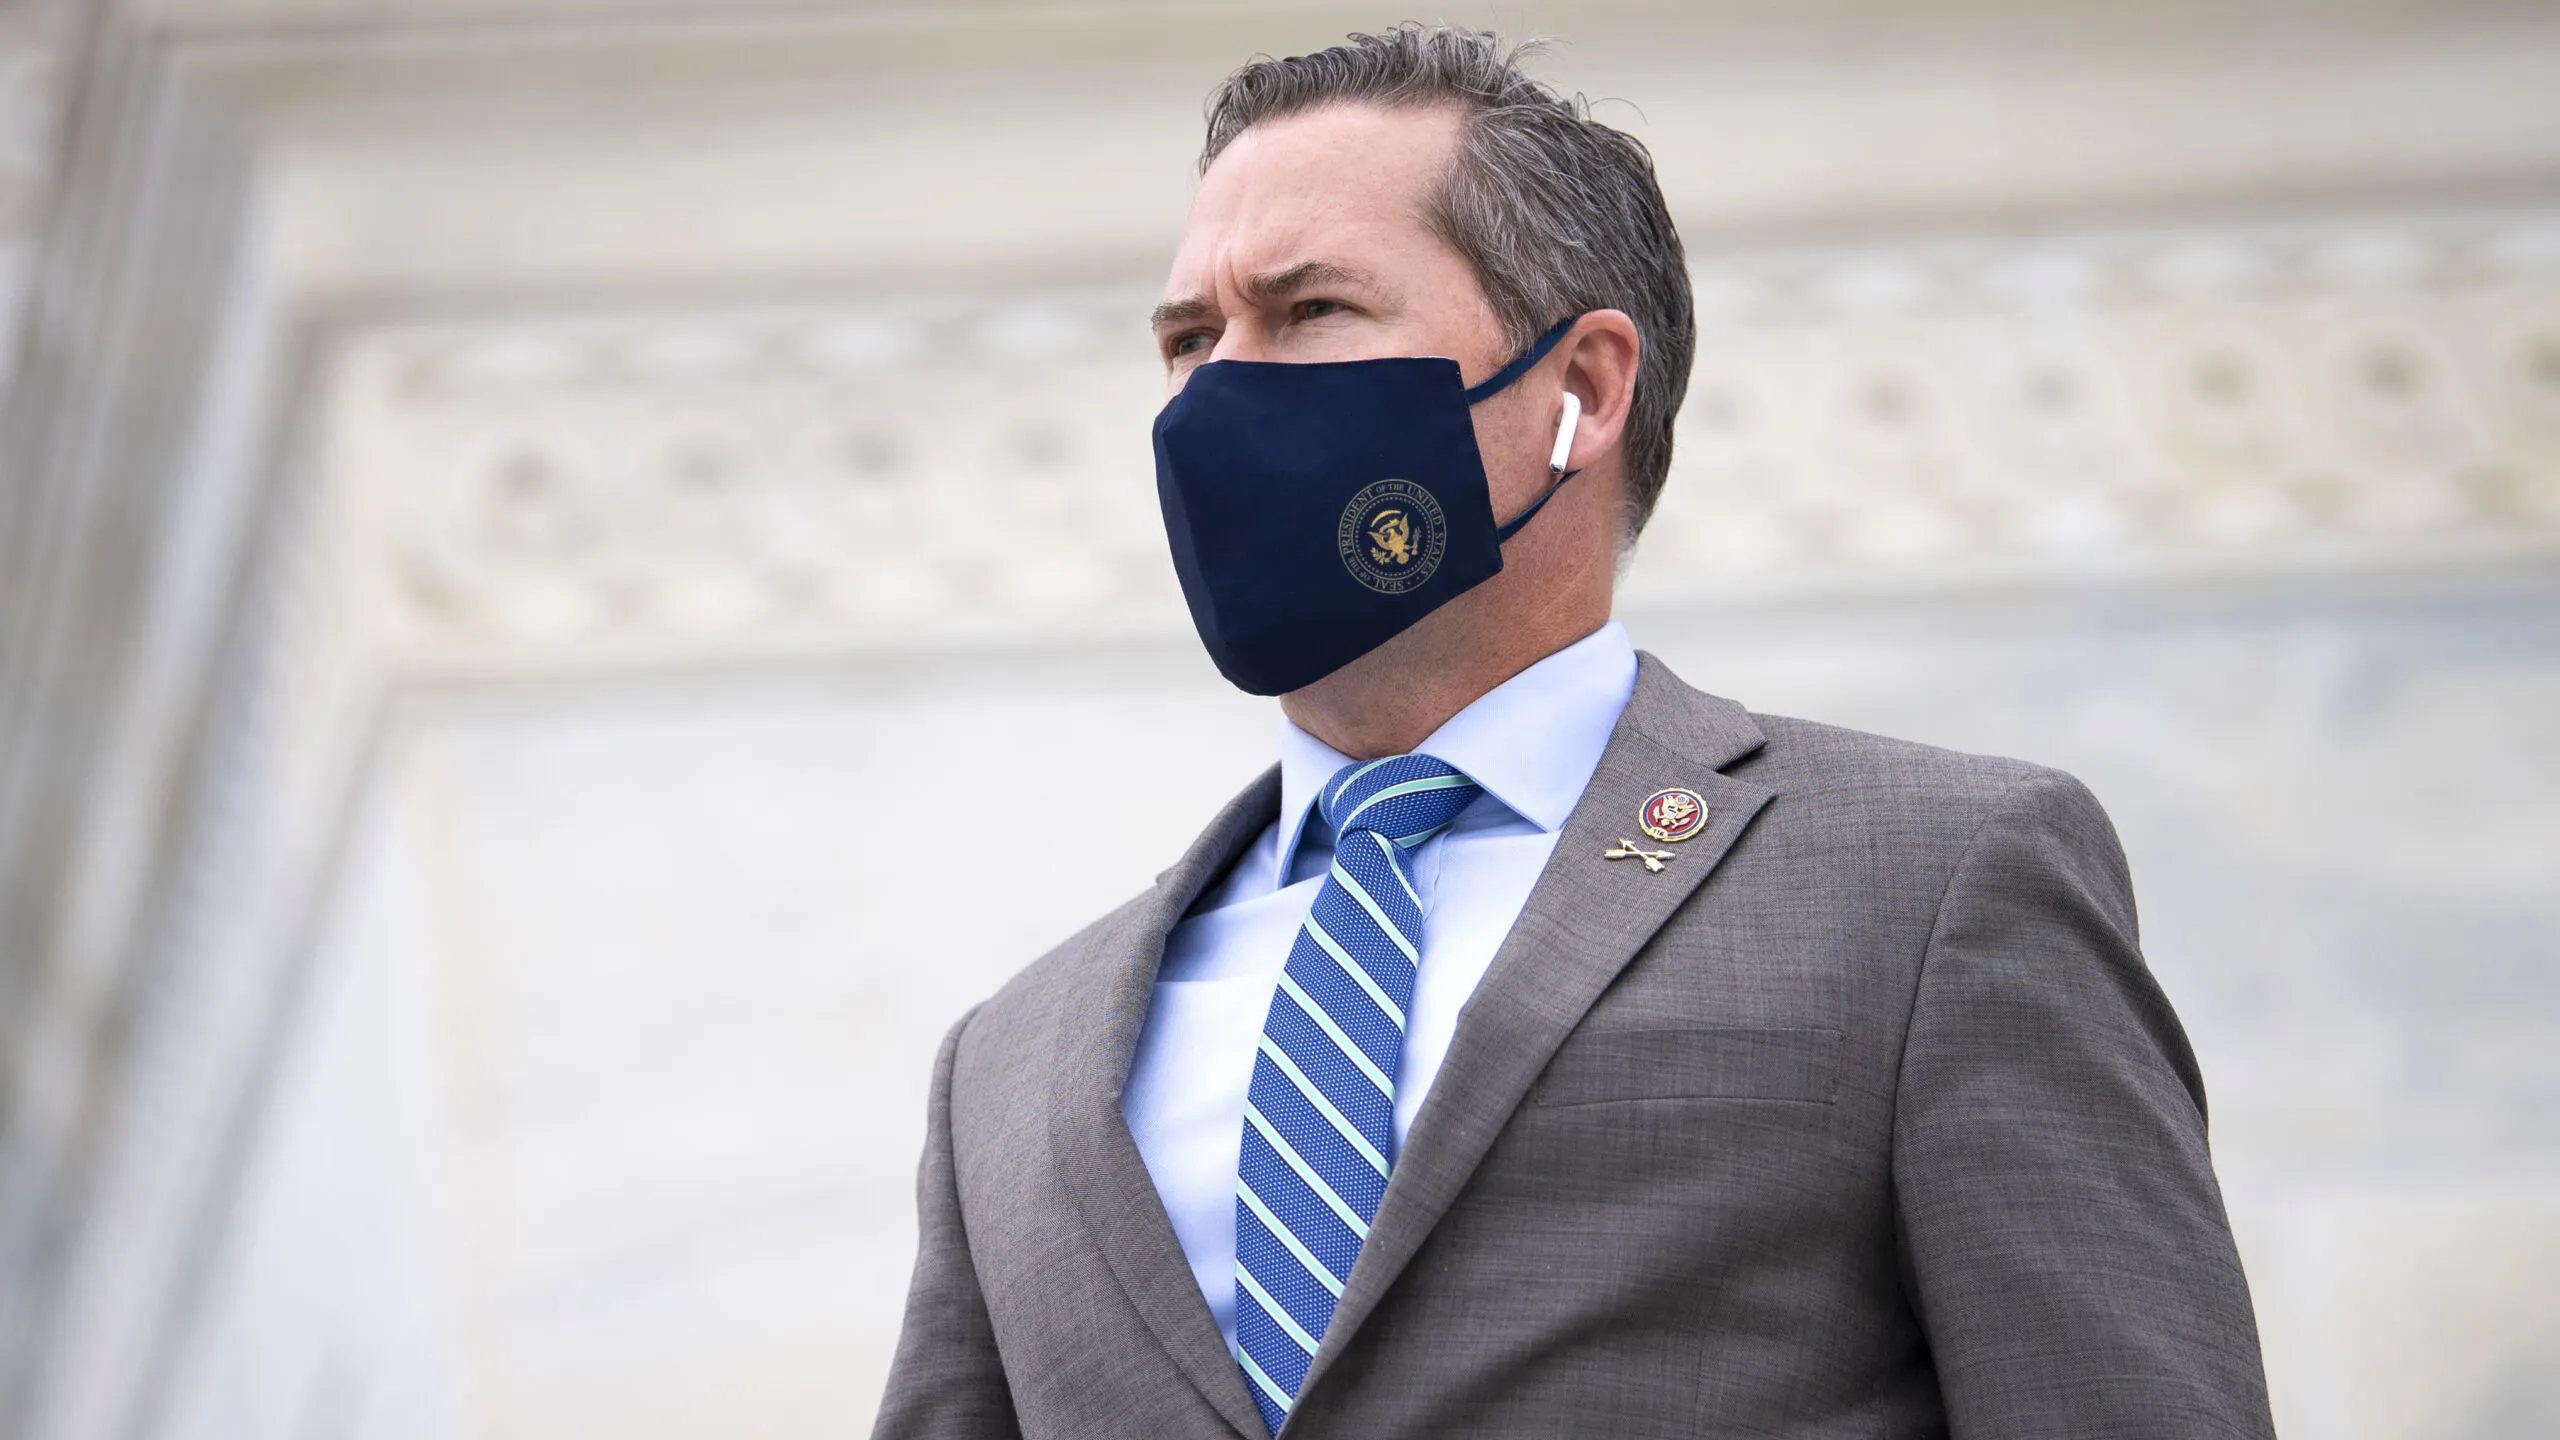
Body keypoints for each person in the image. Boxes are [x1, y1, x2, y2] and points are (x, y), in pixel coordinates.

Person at [874, 25, 2274, 1440]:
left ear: (1585, 389)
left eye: (1311, 310)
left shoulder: (1929, 886)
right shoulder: (1011, 1060)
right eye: (1190, 339)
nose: (1219, 393)